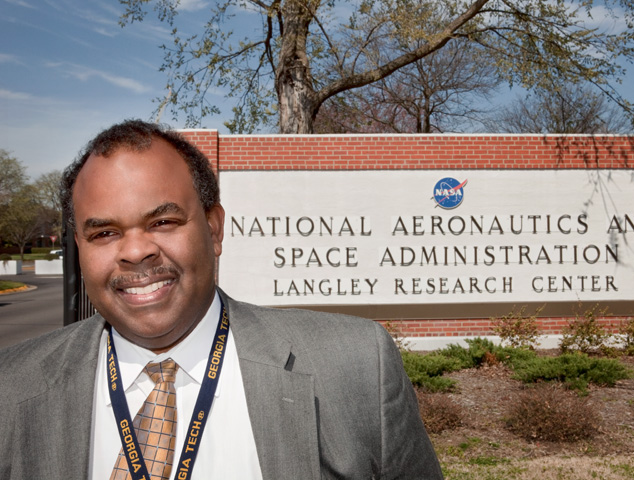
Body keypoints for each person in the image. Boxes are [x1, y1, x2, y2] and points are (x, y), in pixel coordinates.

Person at [0, 120, 443, 479]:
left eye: (163, 222)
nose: (135, 251)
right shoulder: (11, 388)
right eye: (105, 233)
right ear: (80, 246)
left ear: (213, 229)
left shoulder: (356, 366)